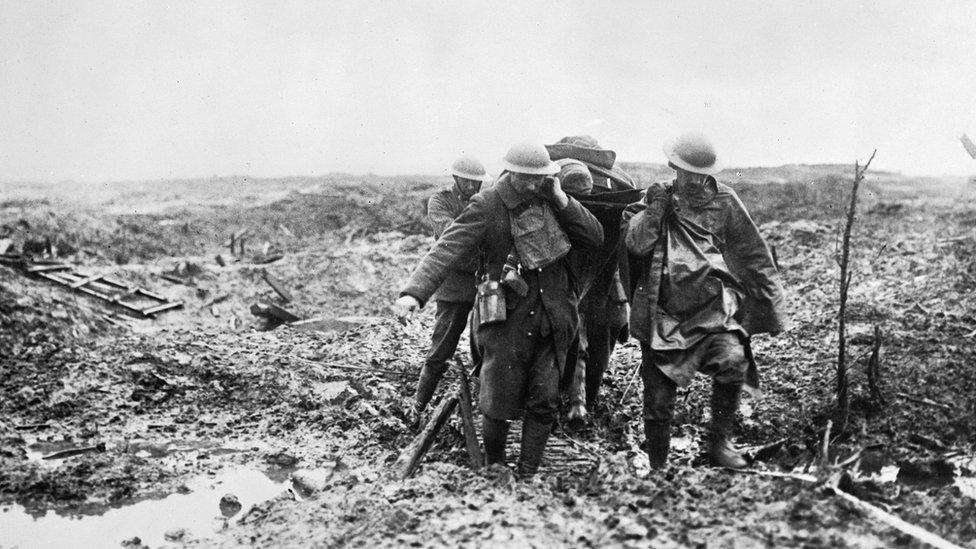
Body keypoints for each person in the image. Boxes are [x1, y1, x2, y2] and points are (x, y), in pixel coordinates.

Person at [394, 142, 604, 476]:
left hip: (553, 315)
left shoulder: (553, 199)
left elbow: (594, 237)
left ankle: (527, 473)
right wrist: (414, 294)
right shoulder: (489, 203)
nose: (533, 185)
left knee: (545, 399)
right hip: (506, 318)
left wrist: (562, 199)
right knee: (497, 401)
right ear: (512, 173)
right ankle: (494, 467)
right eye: (527, 178)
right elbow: (449, 247)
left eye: (540, 178)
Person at [621, 132, 787, 469]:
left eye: (702, 173)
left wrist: (772, 306)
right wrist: (656, 210)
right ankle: (657, 466)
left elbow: (752, 253)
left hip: (714, 313)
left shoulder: (725, 201)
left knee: (733, 362)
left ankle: (719, 444)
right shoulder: (655, 200)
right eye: (688, 172)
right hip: (663, 316)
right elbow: (635, 244)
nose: (696, 180)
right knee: (658, 399)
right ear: (673, 168)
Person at [546, 136, 636, 420]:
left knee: (593, 342)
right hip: (574, 276)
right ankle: (575, 401)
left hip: (601, 283)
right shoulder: (619, 188)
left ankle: (582, 401)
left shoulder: (617, 195)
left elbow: (623, 250)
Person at [411, 155, 489, 421]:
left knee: (485, 348)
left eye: (476, 182)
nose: (471, 186)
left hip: (483, 283)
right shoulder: (440, 201)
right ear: (456, 179)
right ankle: (418, 406)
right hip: (454, 284)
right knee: (441, 349)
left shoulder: (485, 200)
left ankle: (482, 407)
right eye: (466, 181)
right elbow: (452, 235)